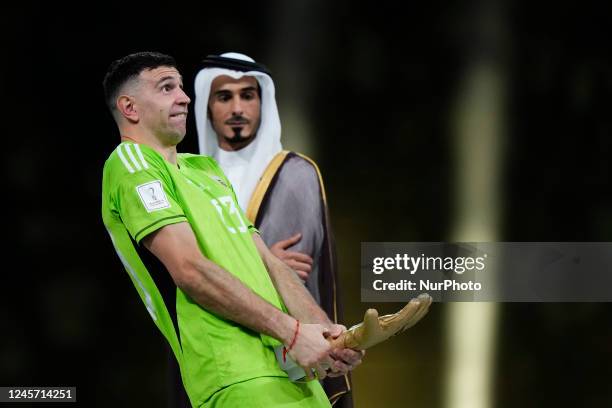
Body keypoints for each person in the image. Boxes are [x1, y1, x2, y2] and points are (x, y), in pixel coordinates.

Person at [101, 51, 363, 408]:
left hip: (294, 374)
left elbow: (269, 264)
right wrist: (295, 333)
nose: (185, 97)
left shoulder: (206, 170)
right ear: (129, 108)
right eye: (166, 88)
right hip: (234, 378)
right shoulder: (130, 165)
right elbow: (190, 270)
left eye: (181, 86)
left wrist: (325, 332)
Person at [193, 52, 352, 406]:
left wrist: (248, 263)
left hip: (289, 367)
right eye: (224, 97)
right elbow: (187, 268)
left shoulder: (295, 175)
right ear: (206, 105)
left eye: (248, 95)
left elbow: (295, 273)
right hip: (219, 362)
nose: (237, 108)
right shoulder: (192, 177)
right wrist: (260, 259)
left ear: (263, 102)